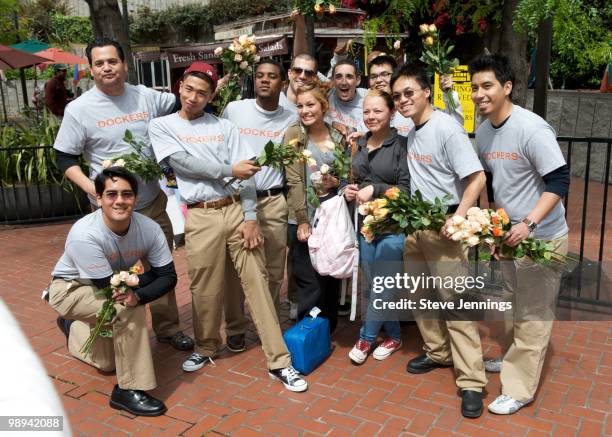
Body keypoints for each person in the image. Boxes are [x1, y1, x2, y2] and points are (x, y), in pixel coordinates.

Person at [149, 62, 308, 392]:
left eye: (202, 93)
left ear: (211, 96)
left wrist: (251, 217)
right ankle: (206, 346)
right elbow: (183, 163)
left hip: (236, 210)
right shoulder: (162, 126)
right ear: (180, 87)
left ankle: (279, 361)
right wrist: (229, 169)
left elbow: (246, 174)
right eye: (190, 89)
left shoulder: (225, 127)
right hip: (201, 215)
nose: (194, 97)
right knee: (204, 288)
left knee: (259, 284)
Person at [52, 37, 193, 352]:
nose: (106, 68)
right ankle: (122, 331)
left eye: (112, 61)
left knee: (159, 267)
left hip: (151, 204)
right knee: (114, 278)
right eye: (99, 63)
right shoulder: (79, 110)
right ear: (91, 69)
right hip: (109, 214)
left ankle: (168, 328)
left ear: (124, 64)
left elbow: (183, 107)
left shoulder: (146, 97)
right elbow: (64, 158)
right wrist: (94, 190)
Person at [469, 54, 570, 415]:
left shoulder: (532, 128)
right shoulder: (482, 131)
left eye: (487, 86)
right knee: (512, 309)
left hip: (541, 236)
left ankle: (518, 388)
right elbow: (494, 182)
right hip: (509, 236)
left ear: (507, 87)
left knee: (532, 315)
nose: (480, 94)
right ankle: (515, 359)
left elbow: (559, 181)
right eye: (476, 87)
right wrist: (496, 229)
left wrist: (528, 223)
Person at [390, 64, 487, 418]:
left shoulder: (447, 128)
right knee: (417, 293)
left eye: (409, 93)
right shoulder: (412, 130)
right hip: (417, 224)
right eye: (397, 95)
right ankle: (438, 351)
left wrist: (458, 216)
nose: (402, 100)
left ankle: (472, 381)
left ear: (425, 91)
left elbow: (476, 178)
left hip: (446, 224)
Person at [48, 167, 177, 416]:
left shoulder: (149, 228)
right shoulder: (85, 234)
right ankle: (129, 390)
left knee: (107, 363)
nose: (120, 201)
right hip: (71, 289)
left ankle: (72, 327)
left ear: (135, 198)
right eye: (111, 194)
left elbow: (169, 276)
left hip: (111, 285)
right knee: (127, 308)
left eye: (127, 194)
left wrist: (139, 292)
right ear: (98, 198)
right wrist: (137, 294)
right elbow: (107, 286)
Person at [221, 60, 296, 352]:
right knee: (236, 271)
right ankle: (236, 328)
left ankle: (269, 321)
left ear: (282, 83)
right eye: (260, 76)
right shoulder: (235, 110)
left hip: (275, 200)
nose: (265, 81)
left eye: (272, 77)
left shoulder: (291, 116)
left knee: (275, 268)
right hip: (238, 202)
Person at [344, 90, 410, 364]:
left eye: (378, 111)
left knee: (381, 284)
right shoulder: (359, 143)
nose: (371, 116)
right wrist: (346, 190)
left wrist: (377, 189)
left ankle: (366, 338)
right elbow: (351, 179)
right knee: (376, 285)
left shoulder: (402, 145)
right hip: (366, 226)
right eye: (366, 112)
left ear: (391, 112)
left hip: (393, 226)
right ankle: (393, 336)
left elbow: (407, 190)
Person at [284, 82, 349, 334]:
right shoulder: (294, 135)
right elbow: (294, 180)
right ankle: (308, 331)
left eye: (310, 104)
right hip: (303, 217)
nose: (304, 110)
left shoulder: (339, 136)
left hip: (331, 219)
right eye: (300, 106)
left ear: (323, 107)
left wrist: (337, 181)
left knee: (330, 278)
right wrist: (301, 219)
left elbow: (346, 177)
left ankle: (328, 329)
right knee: (309, 282)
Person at [367, 55, 464, 136]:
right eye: (373, 76)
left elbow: (454, 124)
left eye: (384, 74)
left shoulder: (412, 108)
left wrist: (449, 93)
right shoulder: (367, 112)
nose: (378, 80)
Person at [326, 59, 367, 132]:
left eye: (349, 77)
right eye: (339, 77)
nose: (344, 82)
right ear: (332, 80)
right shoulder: (326, 94)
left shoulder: (368, 98)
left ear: (358, 80)